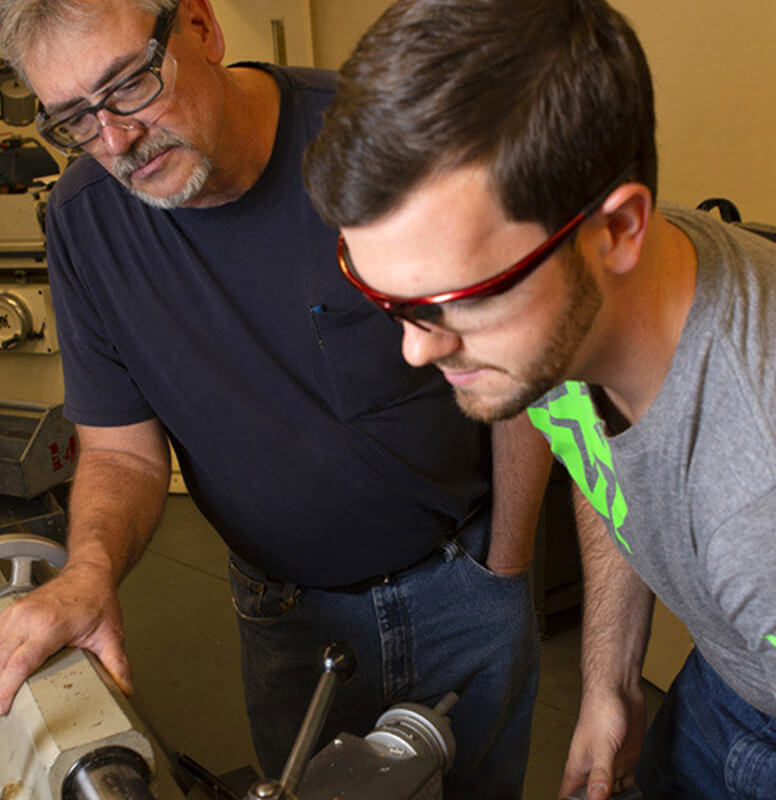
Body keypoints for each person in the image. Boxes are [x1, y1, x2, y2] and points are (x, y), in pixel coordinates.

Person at [0, 1, 548, 797]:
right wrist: (88, 572)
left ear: (203, 30)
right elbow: (119, 449)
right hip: (287, 621)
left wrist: (504, 568)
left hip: (462, 585)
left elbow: (525, 374)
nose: (116, 141)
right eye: (74, 117)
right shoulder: (84, 225)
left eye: (131, 84)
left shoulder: (385, 141)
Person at [303, 0, 776, 799]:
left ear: (619, 228)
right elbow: (614, 467)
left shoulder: (756, 503)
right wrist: (609, 681)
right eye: (388, 298)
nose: (417, 347)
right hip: (727, 673)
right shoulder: (576, 313)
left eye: (462, 298)